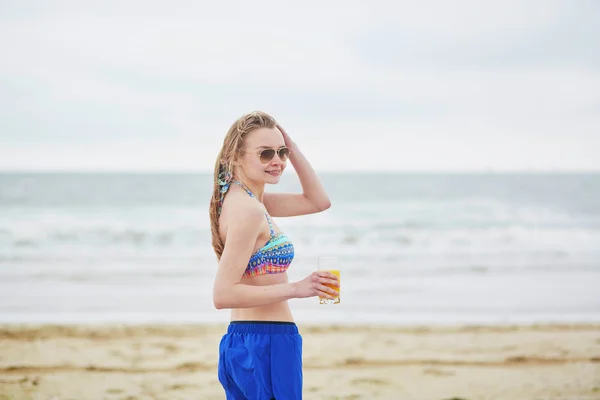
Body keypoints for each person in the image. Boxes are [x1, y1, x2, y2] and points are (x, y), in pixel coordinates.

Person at [209, 111, 340, 399]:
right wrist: (296, 288)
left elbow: (318, 201)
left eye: (281, 152)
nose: (277, 160)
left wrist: (291, 148)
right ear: (236, 156)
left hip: (247, 338)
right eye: (265, 153)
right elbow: (223, 294)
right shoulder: (249, 209)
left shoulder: (247, 200)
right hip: (267, 342)